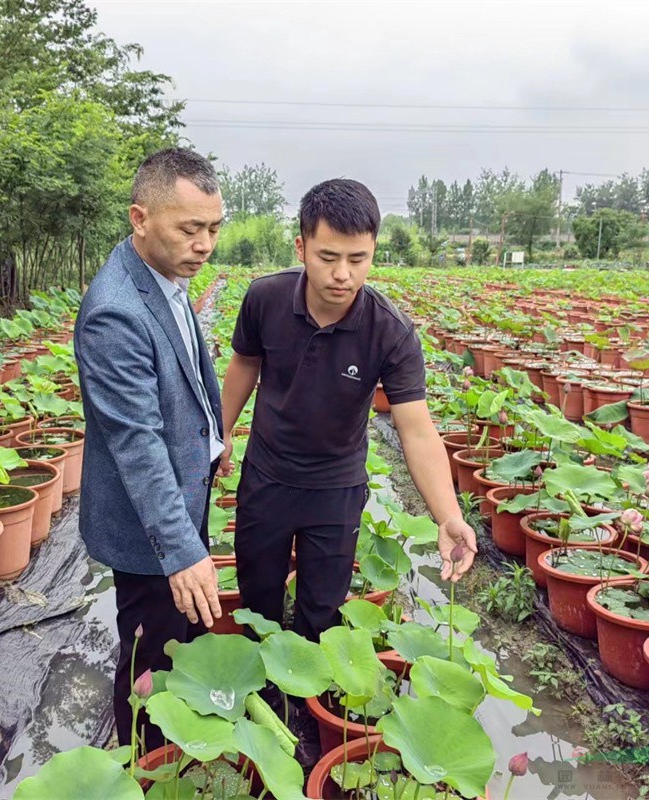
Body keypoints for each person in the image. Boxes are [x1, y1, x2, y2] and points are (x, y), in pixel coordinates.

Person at [218, 178, 477, 757]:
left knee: (320, 609)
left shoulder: (391, 330)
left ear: (373, 253)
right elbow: (242, 367)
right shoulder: (264, 299)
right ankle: (254, 704)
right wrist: (220, 436)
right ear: (301, 247)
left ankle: (304, 717)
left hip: (336, 489)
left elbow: (415, 429)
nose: (342, 274)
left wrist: (449, 515)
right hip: (265, 475)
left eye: (357, 259)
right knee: (257, 595)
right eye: (328, 257)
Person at [74, 148, 225, 750]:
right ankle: (145, 761)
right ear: (140, 218)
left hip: (182, 493)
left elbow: (183, 373)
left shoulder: (163, 275)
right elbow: (136, 442)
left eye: (213, 227)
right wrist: (183, 551)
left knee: (174, 639)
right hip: (147, 529)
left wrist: (212, 435)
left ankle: (167, 749)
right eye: (189, 229)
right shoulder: (115, 312)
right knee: (148, 658)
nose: (205, 243)